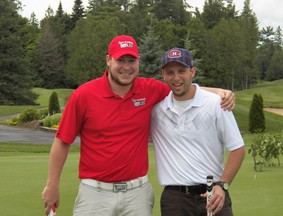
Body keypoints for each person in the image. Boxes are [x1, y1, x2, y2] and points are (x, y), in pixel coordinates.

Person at [41, 36, 235, 216]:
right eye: (120, 60)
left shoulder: (149, 89)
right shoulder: (84, 95)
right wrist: (52, 185)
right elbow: (62, 141)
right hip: (95, 193)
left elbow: (182, 88)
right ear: (108, 60)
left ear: (138, 62)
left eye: (131, 61)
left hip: (137, 194)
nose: (126, 67)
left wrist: (219, 92)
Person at [150, 48, 245, 216]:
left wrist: (223, 185)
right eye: (170, 72)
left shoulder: (217, 104)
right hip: (175, 200)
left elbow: (237, 148)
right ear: (163, 75)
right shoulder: (157, 110)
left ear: (192, 71)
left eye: (182, 71)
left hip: (213, 194)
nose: (176, 77)